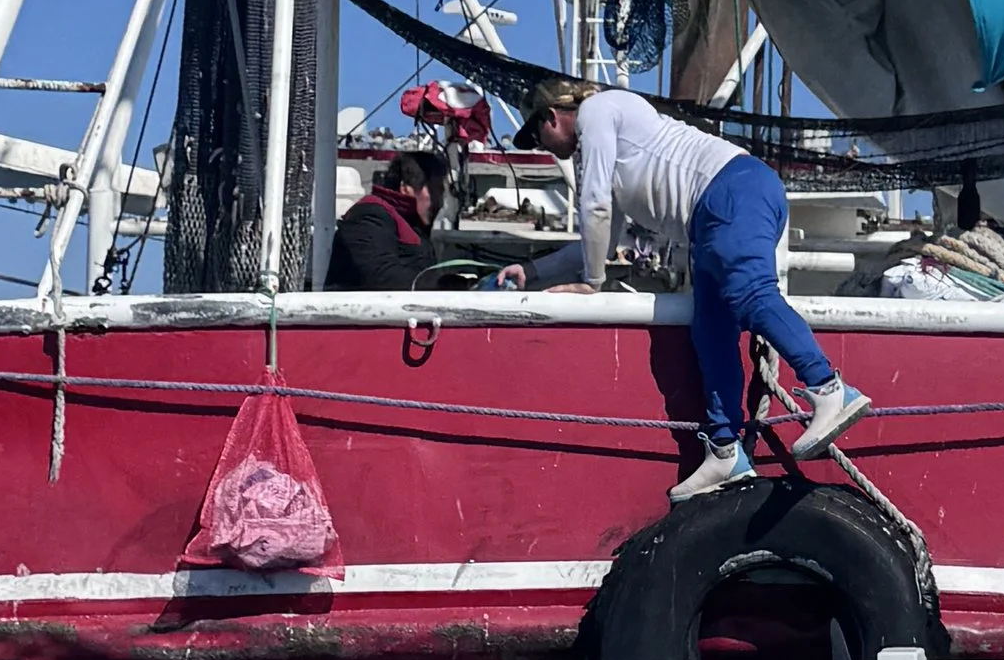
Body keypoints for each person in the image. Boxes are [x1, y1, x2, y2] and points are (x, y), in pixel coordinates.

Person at [512, 79, 871, 501]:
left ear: (552, 117)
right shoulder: (610, 144)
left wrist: (592, 284)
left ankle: (829, 388)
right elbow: (602, 237)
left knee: (751, 294)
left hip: (730, 190)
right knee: (710, 331)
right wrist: (531, 269)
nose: (544, 146)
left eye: (538, 136)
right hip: (715, 212)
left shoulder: (599, 111)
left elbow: (593, 206)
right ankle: (725, 451)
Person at [323, 151, 446, 292]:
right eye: (435, 190)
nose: (440, 201)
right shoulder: (369, 215)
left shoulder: (410, 223)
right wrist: (444, 285)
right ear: (406, 188)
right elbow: (381, 276)